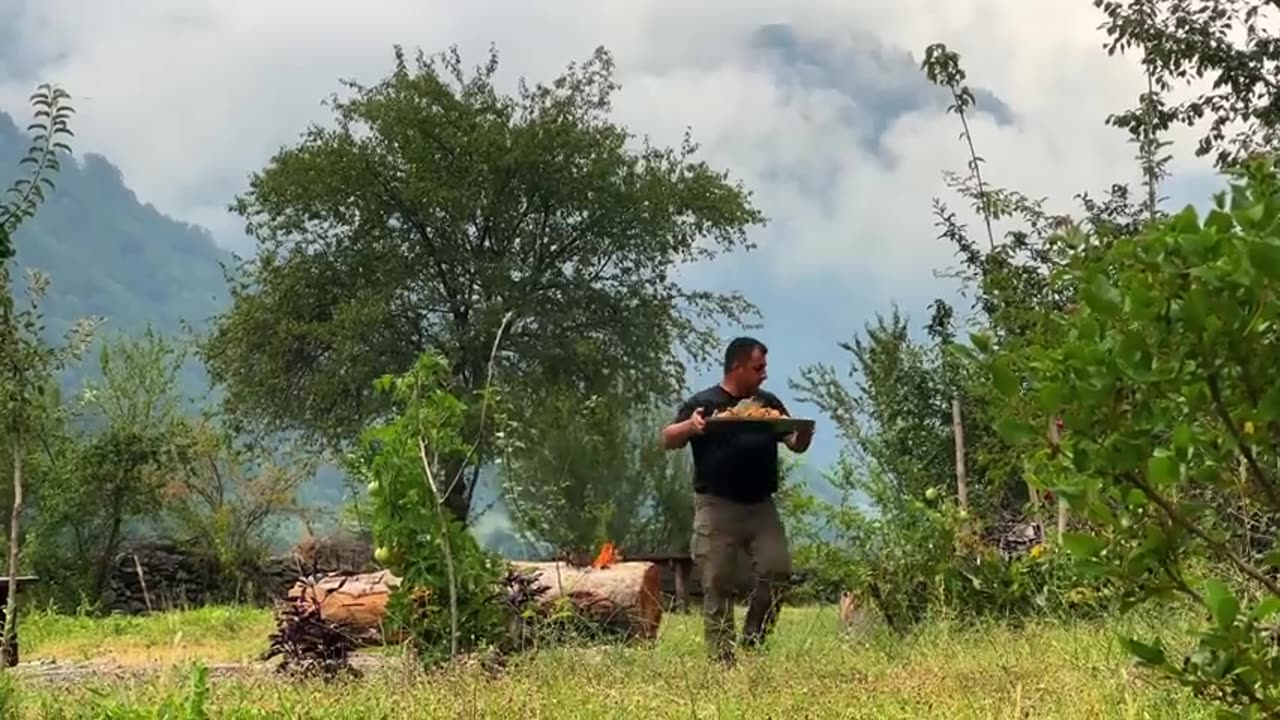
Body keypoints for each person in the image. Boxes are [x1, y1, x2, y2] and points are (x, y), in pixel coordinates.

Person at [660, 336, 813, 664]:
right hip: (716, 506)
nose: (764, 375)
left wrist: (804, 435)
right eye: (758, 368)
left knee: (778, 570)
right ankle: (721, 659)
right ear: (737, 367)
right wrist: (692, 425)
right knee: (717, 582)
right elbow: (668, 438)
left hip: (761, 506)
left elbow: (793, 442)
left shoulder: (767, 403)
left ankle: (754, 638)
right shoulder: (705, 403)